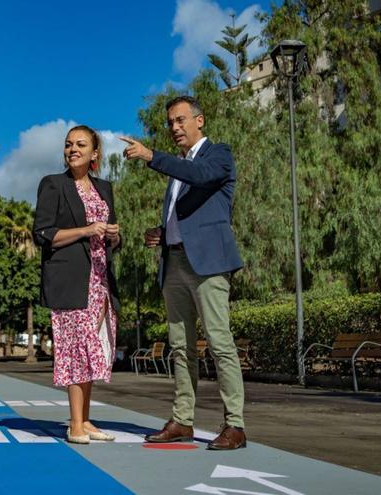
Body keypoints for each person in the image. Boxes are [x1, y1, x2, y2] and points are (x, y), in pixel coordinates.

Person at [120, 95, 246, 450]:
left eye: (180, 120)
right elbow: (189, 216)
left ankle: (235, 425)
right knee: (180, 347)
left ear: (199, 121)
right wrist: (164, 234)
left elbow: (202, 177)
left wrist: (151, 156)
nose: (174, 128)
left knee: (220, 344)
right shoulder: (178, 167)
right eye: (170, 123)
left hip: (208, 265)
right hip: (173, 261)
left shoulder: (217, 155)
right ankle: (182, 421)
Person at [33, 125, 121, 444]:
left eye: (81, 144)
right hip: (70, 280)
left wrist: (114, 235)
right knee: (76, 349)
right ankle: (75, 424)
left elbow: (111, 238)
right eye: (69, 144)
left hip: (100, 281)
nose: (73, 149)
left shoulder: (105, 188)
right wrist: (86, 230)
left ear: (95, 153)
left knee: (92, 350)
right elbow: (42, 233)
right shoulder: (53, 185)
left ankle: (85, 419)